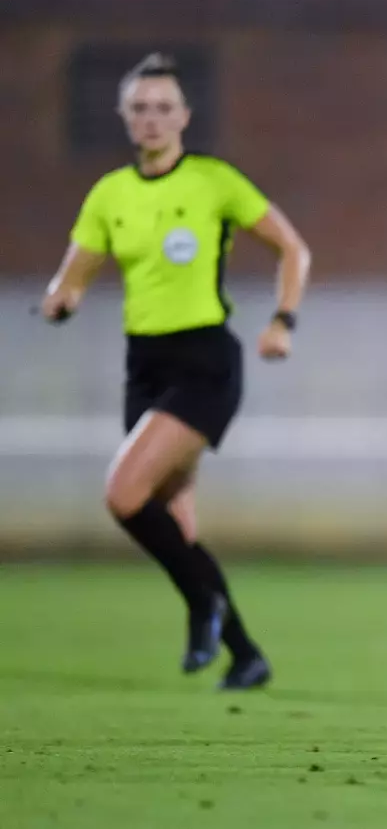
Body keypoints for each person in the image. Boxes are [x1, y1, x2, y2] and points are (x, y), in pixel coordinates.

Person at [39, 53, 311, 690]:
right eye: (140, 108)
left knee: (123, 494)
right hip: (146, 368)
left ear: (185, 117)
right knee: (177, 529)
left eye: (164, 107)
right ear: (124, 118)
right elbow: (71, 279)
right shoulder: (111, 194)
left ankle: (201, 607)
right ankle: (245, 654)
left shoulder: (214, 181)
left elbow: (292, 248)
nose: (152, 119)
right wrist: (62, 300)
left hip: (205, 364)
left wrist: (283, 321)